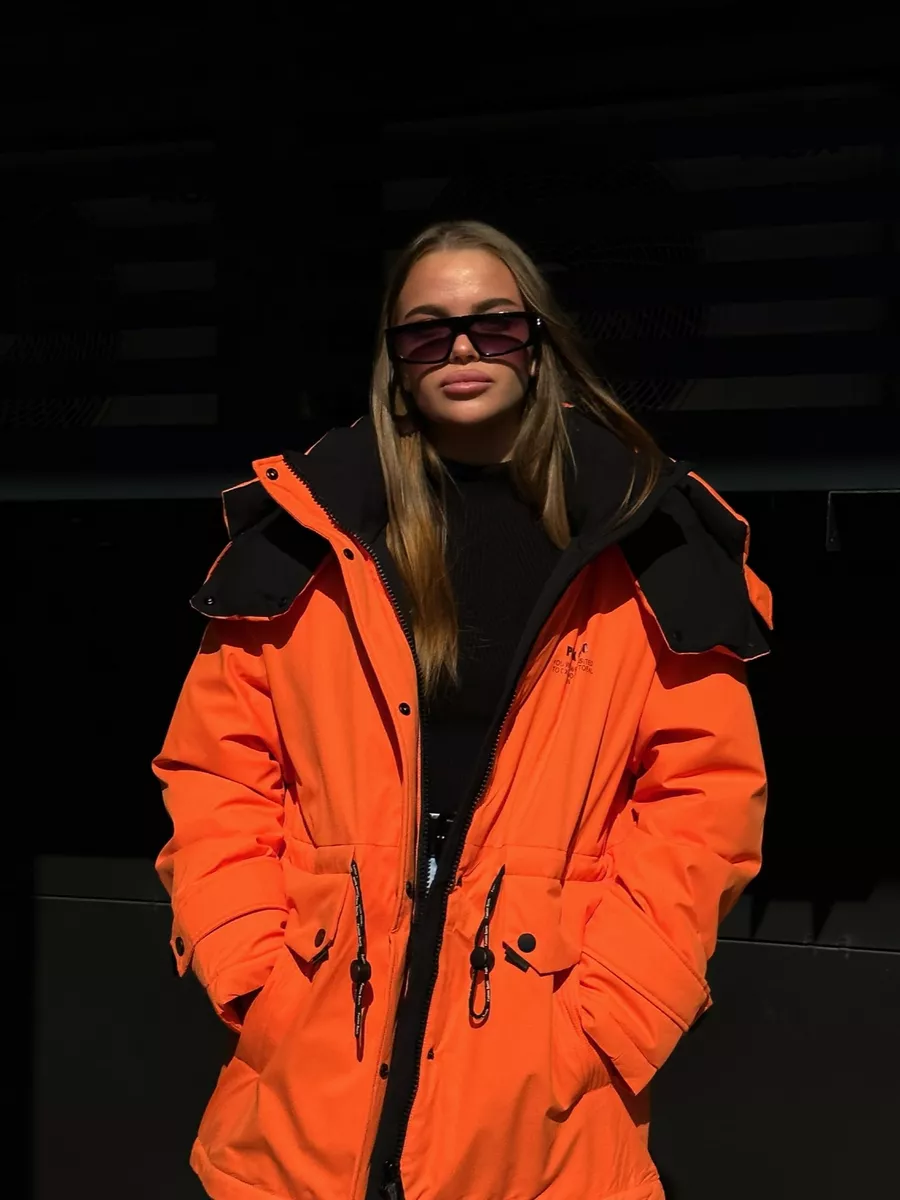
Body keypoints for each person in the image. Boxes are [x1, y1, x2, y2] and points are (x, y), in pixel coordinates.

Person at [153, 219, 772, 1200]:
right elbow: (218, 769)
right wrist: (254, 972)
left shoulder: (645, 538)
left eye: (494, 324)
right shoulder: (305, 536)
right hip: (312, 1060)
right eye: (427, 331)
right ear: (394, 360)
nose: (463, 349)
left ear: (539, 339)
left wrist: (614, 1014)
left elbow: (705, 799)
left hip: (543, 1071)